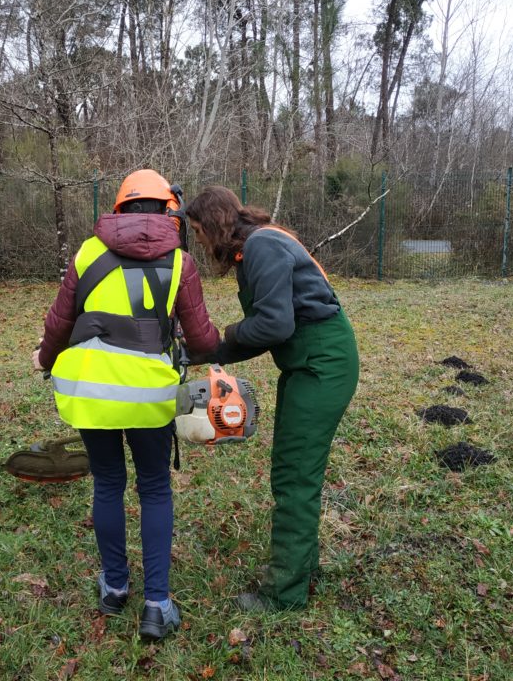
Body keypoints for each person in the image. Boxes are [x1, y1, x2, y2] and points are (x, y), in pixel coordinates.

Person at [33, 169, 219, 640]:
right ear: (168, 211)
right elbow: (200, 340)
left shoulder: (88, 252)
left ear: (118, 210)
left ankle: (114, 587)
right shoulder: (181, 263)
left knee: (109, 481)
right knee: (154, 488)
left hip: (92, 390)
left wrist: (45, 359)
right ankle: (157, 604)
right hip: (150, 395)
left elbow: (59, 321)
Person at [183, 185, 360, 612]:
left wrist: (220, 340)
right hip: (306, 361)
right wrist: (207, 353)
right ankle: (302, 565)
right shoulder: (259, 243)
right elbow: (270, 325)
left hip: (321, 362)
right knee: (289, 467)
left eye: (198, 232)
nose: (200, 242)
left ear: (213, 224)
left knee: (295, 475)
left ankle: (284, 594)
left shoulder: (262, 247)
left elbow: (273, 325)